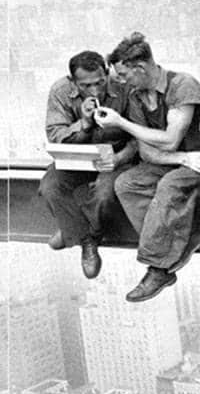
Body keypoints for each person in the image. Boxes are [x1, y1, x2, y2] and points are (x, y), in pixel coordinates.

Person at [95, 33, 200, 302]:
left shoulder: (182, 85)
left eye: (124, 74)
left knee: (170, 186)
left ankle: (158, 268)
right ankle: (184, 241)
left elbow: (171, 139)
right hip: (179, 160)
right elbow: (146, 148)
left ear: (140, 68)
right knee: (126, 184)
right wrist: (180, 160)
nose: (121, 81)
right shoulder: (138, 96)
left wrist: (121, 123)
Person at [40, 50, 136, 278]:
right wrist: (83, 124)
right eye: (86, 86)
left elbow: (138, 136)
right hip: (77, 155)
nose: (95, 91)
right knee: (50, 188)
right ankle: (81, 235)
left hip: (116, 155)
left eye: (100, 83)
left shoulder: (125, 87)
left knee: (104, 194)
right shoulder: (61, 91)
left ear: (107, 74)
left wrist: (119, 158)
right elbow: (55, 135)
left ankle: (81, 233)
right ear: (73, 81)